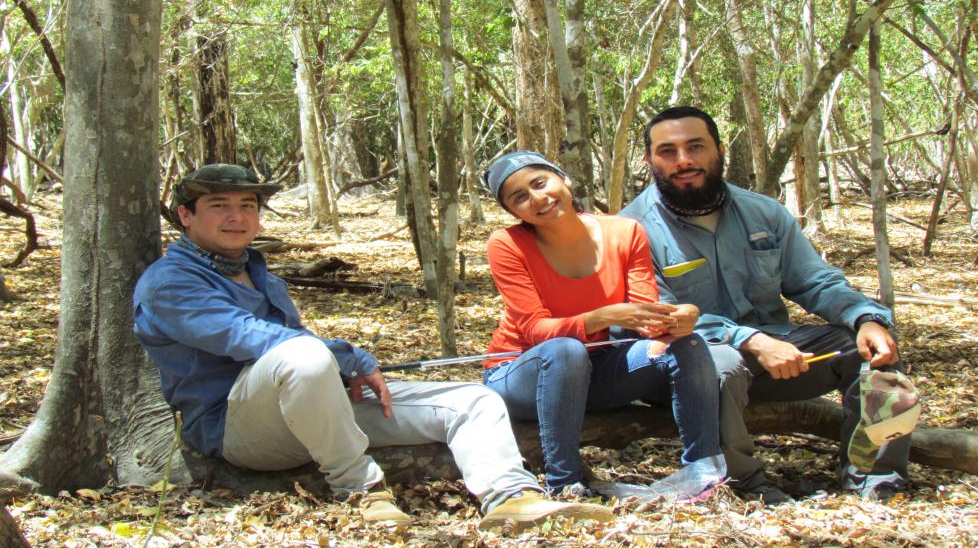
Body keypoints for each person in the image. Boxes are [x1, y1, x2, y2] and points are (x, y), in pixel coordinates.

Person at [133, 163, 613, 532]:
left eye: (248, 205)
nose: (237, 216)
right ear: (185, 216)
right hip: (236, 430)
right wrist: (343, 356)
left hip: (308, 412)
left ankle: (511, 498)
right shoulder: (169, 282)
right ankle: (361, 490)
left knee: (472, 399)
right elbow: (248, 337)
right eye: (219, 205)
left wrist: (340, 370)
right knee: (305, 354)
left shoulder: (258, 272)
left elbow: (298, 357)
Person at [621, 106, 911, 503]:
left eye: (695, 147)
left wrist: (866, 318)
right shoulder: (630, 229)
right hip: (685, 366)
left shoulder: (763, 212)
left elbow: (814, 281)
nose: (684, 161)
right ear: (649, 161)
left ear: (719, 150)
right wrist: (753, 340)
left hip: (778, 357)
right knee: (717, 365)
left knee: (869, 353)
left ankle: (876, 479)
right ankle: (746, 485)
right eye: (667, 151)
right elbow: (659, 317)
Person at [481, 151, 723, 496]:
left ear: (563, 178)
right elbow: (535, 330)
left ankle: (704, 471)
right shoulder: (507, 244)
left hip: (592, 371)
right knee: (566, 351)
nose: (537, 198)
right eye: (519, 197)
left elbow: (645, 316)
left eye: (540, 183)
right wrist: (603, 316)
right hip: (519, 374)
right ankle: (564, 483)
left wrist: (680, 317)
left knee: (688, 343)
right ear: (512, 212)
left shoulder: (625, 232)